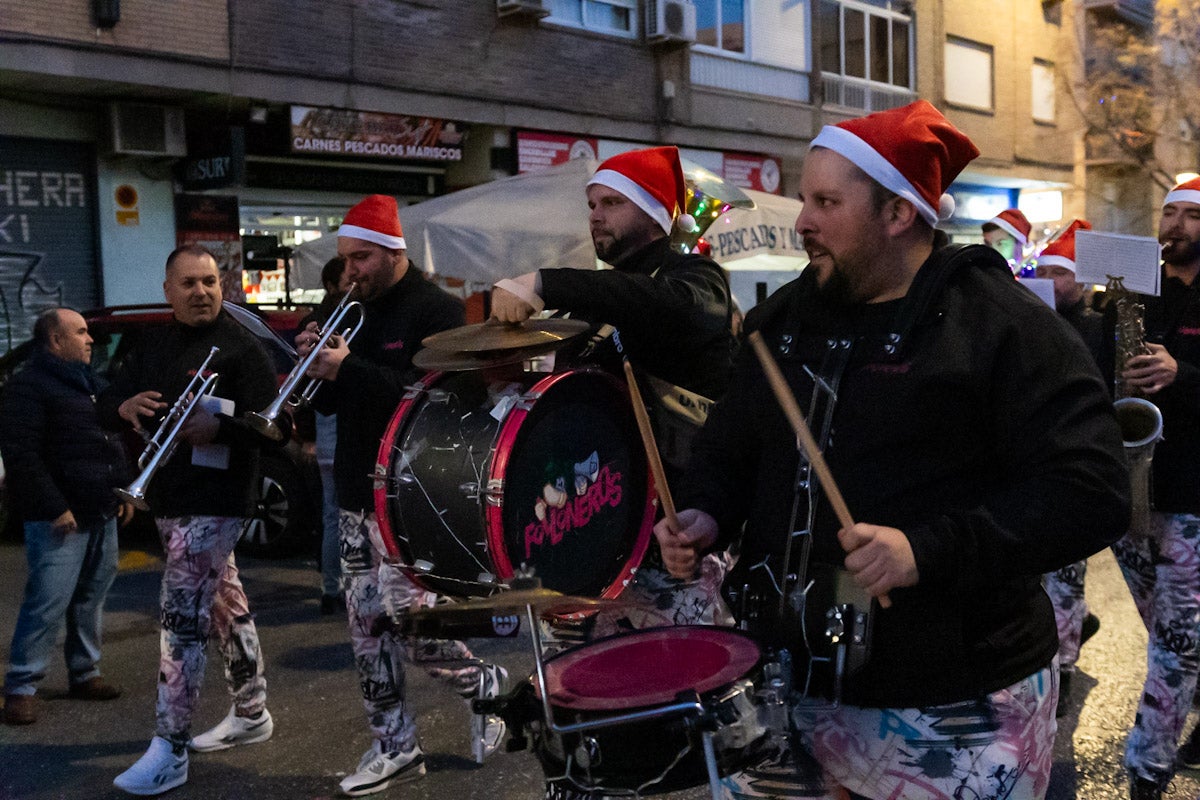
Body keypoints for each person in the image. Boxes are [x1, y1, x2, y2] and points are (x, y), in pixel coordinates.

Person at [656, 100, 1130, 800]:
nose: (803, 222)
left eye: (826, 201)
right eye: (803, 199)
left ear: (899, 213)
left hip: (956, 707)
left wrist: (925, 550)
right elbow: (732, 447)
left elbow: (1092, 492)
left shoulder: (1002, 326)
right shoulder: (779, 322)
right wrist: (704, 513)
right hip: (788, 690)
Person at [299, 194, 506, 797]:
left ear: (394, 251)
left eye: (362, 257)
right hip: (355, 489)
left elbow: (440, 402)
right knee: (364, 623)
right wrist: (314, 367)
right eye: (345, 258)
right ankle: (394, 744)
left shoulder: (435, 310)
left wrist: (349, 370)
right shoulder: (344, 306)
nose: (351, 270)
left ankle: (482, 682)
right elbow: (334, 403)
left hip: (413, 495)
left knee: (410, 620)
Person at [490, 145, 737, 633]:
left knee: (683, 693)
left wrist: (546, 281)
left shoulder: (693, 276)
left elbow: (674, 306)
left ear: (652, 212)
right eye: (591, 205)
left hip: (677, 540)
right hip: (597, 537)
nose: (596, 216)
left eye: (612, 203)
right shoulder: (595, 305)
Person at [101, 245, 281, 796]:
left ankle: (170, 748)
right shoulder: (156, 342)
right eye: (189, 284)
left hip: (218, 498)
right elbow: (108, 394)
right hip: (171, 495)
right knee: (225, 604)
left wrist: (221, 430)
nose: (201, 291)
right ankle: (251, 711)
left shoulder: (243, 347)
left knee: (181, 621)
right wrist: (121, 405)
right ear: (168, 291)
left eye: (210, 281)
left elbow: (279, 429)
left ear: (222, 285)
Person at [1106, 176, 1200, 799]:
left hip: (1198, 493)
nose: (1176, 224)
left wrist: (1181, 372)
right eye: (1169, 212)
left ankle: (1147, 765)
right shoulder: (1136, 289)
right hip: (1136, 487)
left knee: (1176, 641)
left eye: (1192, 215)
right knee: (1171, 632)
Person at [0, 308, 133, 726]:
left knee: (91, 596)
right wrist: (55, 507)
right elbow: (21, 454)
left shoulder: (90, 385)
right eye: (80, 332)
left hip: (99, 508)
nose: (90, 339)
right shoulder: (28, 389)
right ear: (55, 342)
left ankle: (85, 673)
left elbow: (108, 440)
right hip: (60, 516)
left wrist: (123, 487)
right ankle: (21, 687)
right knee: (48, 601)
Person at [1033, 218, 1105, 717]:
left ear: (1080, 281)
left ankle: (1065, 664)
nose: (1047, 282)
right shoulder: (1029, 321)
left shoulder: (1099, 329)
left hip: (1070, 465)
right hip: (1030, 464)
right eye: (1041, 271)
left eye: (1057, 273)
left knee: (1066, 577)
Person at [309, 255, 351, 615]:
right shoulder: (346, 315)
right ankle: (344, 586)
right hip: (339, 431)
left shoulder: (318, 318)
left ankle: (329, 587)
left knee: (330, 514)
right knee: (347, 514)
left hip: (324, 435)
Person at [982, 207, 1031, 272]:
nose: (993, 250)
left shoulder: (1030, 276)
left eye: (1000, 243)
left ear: (1018, 243)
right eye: (988, 244)